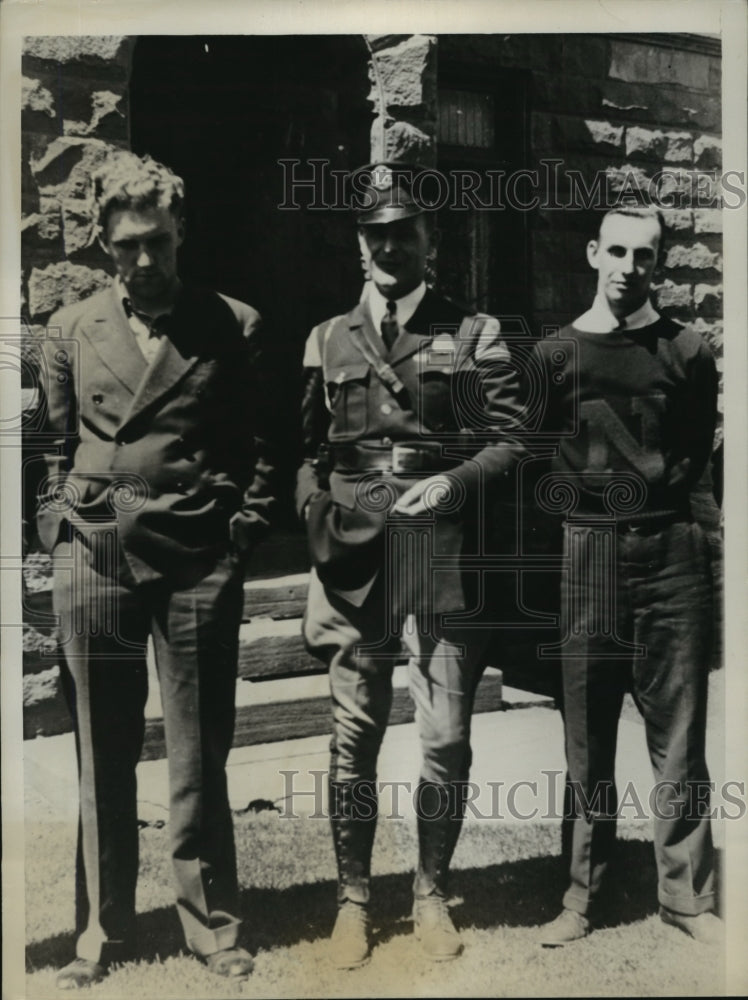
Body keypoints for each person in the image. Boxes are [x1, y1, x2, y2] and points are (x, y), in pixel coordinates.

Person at [36, 151, 275, 988]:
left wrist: (236, 538)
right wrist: (56, 530)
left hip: (194, 560)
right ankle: (100, 935)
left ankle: (213, 926)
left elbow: (262, 450)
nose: (147, 261)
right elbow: (50, 445)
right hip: (95, 559)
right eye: (129, 245)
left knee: (197, 751)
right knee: (101, 753)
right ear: (105, 245)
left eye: (161, 243)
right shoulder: (70, 330)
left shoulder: (231, 323)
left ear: (183, 236)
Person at [296, 161, 525, 967]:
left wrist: (449, 484)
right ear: (361, 245)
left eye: (406, 233)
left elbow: (510, 442)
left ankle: (431, 892)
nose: (391, 246)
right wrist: (313, 511)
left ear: (433, 242)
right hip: (357, 557)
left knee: (445, 736)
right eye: (377, 234)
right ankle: (352, 902)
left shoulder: (474, 334)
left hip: (441, 554)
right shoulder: (327, 337)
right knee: (352, 731)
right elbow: (304, 449)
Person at [532, 206, 722, 947]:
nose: (627, 267)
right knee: (587, 735)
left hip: (670, 553)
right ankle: (582, 895)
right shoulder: (554, 355)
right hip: (587, 556)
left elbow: (692, 456)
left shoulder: (687, 350)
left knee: (679, 736)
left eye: (644, 255)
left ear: (658, 264)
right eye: (616, 251)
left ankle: (686, 897)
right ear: (592, 253)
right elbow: (540, 459)